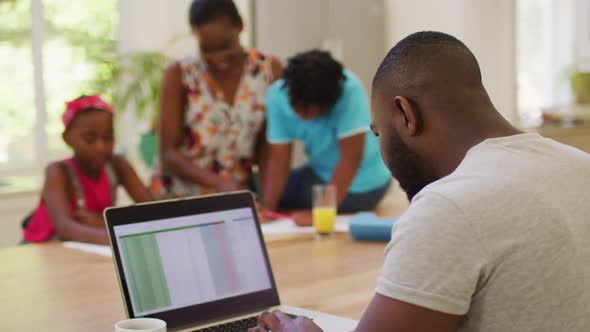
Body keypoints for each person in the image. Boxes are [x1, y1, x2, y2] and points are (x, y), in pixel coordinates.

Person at [249, 32, 590, 332]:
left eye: (378, 131)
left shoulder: (449, 207)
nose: (381, 147)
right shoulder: (581, 165)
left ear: (406, 115)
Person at [152, 0, 282, 198]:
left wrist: (267, 202)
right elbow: (168, 153)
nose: (218, 57)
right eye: (208, 50)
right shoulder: (180, 73)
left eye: (226, 46)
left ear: (240, 26)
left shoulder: (267, 70)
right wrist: (219, 183)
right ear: (195, 34)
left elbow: (269, 145)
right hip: (179, 198)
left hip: (236, 198)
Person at [262, 50, 391, 225]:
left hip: (365, 183)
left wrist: (321, 213)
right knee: (269, 194)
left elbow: (351, 157)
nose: (312, 114)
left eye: (320, 109)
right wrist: (267, 209)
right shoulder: (276, 96)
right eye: (304, 108)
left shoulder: (349, 88)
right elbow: (279, 160)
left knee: (296, 199)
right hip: (319, 171)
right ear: (289, 93)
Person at [23, 95, 153, 245]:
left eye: (108, 137)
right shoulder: (58, 172)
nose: (100, 147)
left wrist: (100, 223)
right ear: (67, 138)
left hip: (87, 249)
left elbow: (152, 212)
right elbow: (66, 229)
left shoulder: (117, 165)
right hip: (42, 249)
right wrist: (118, 236)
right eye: (89, 139)